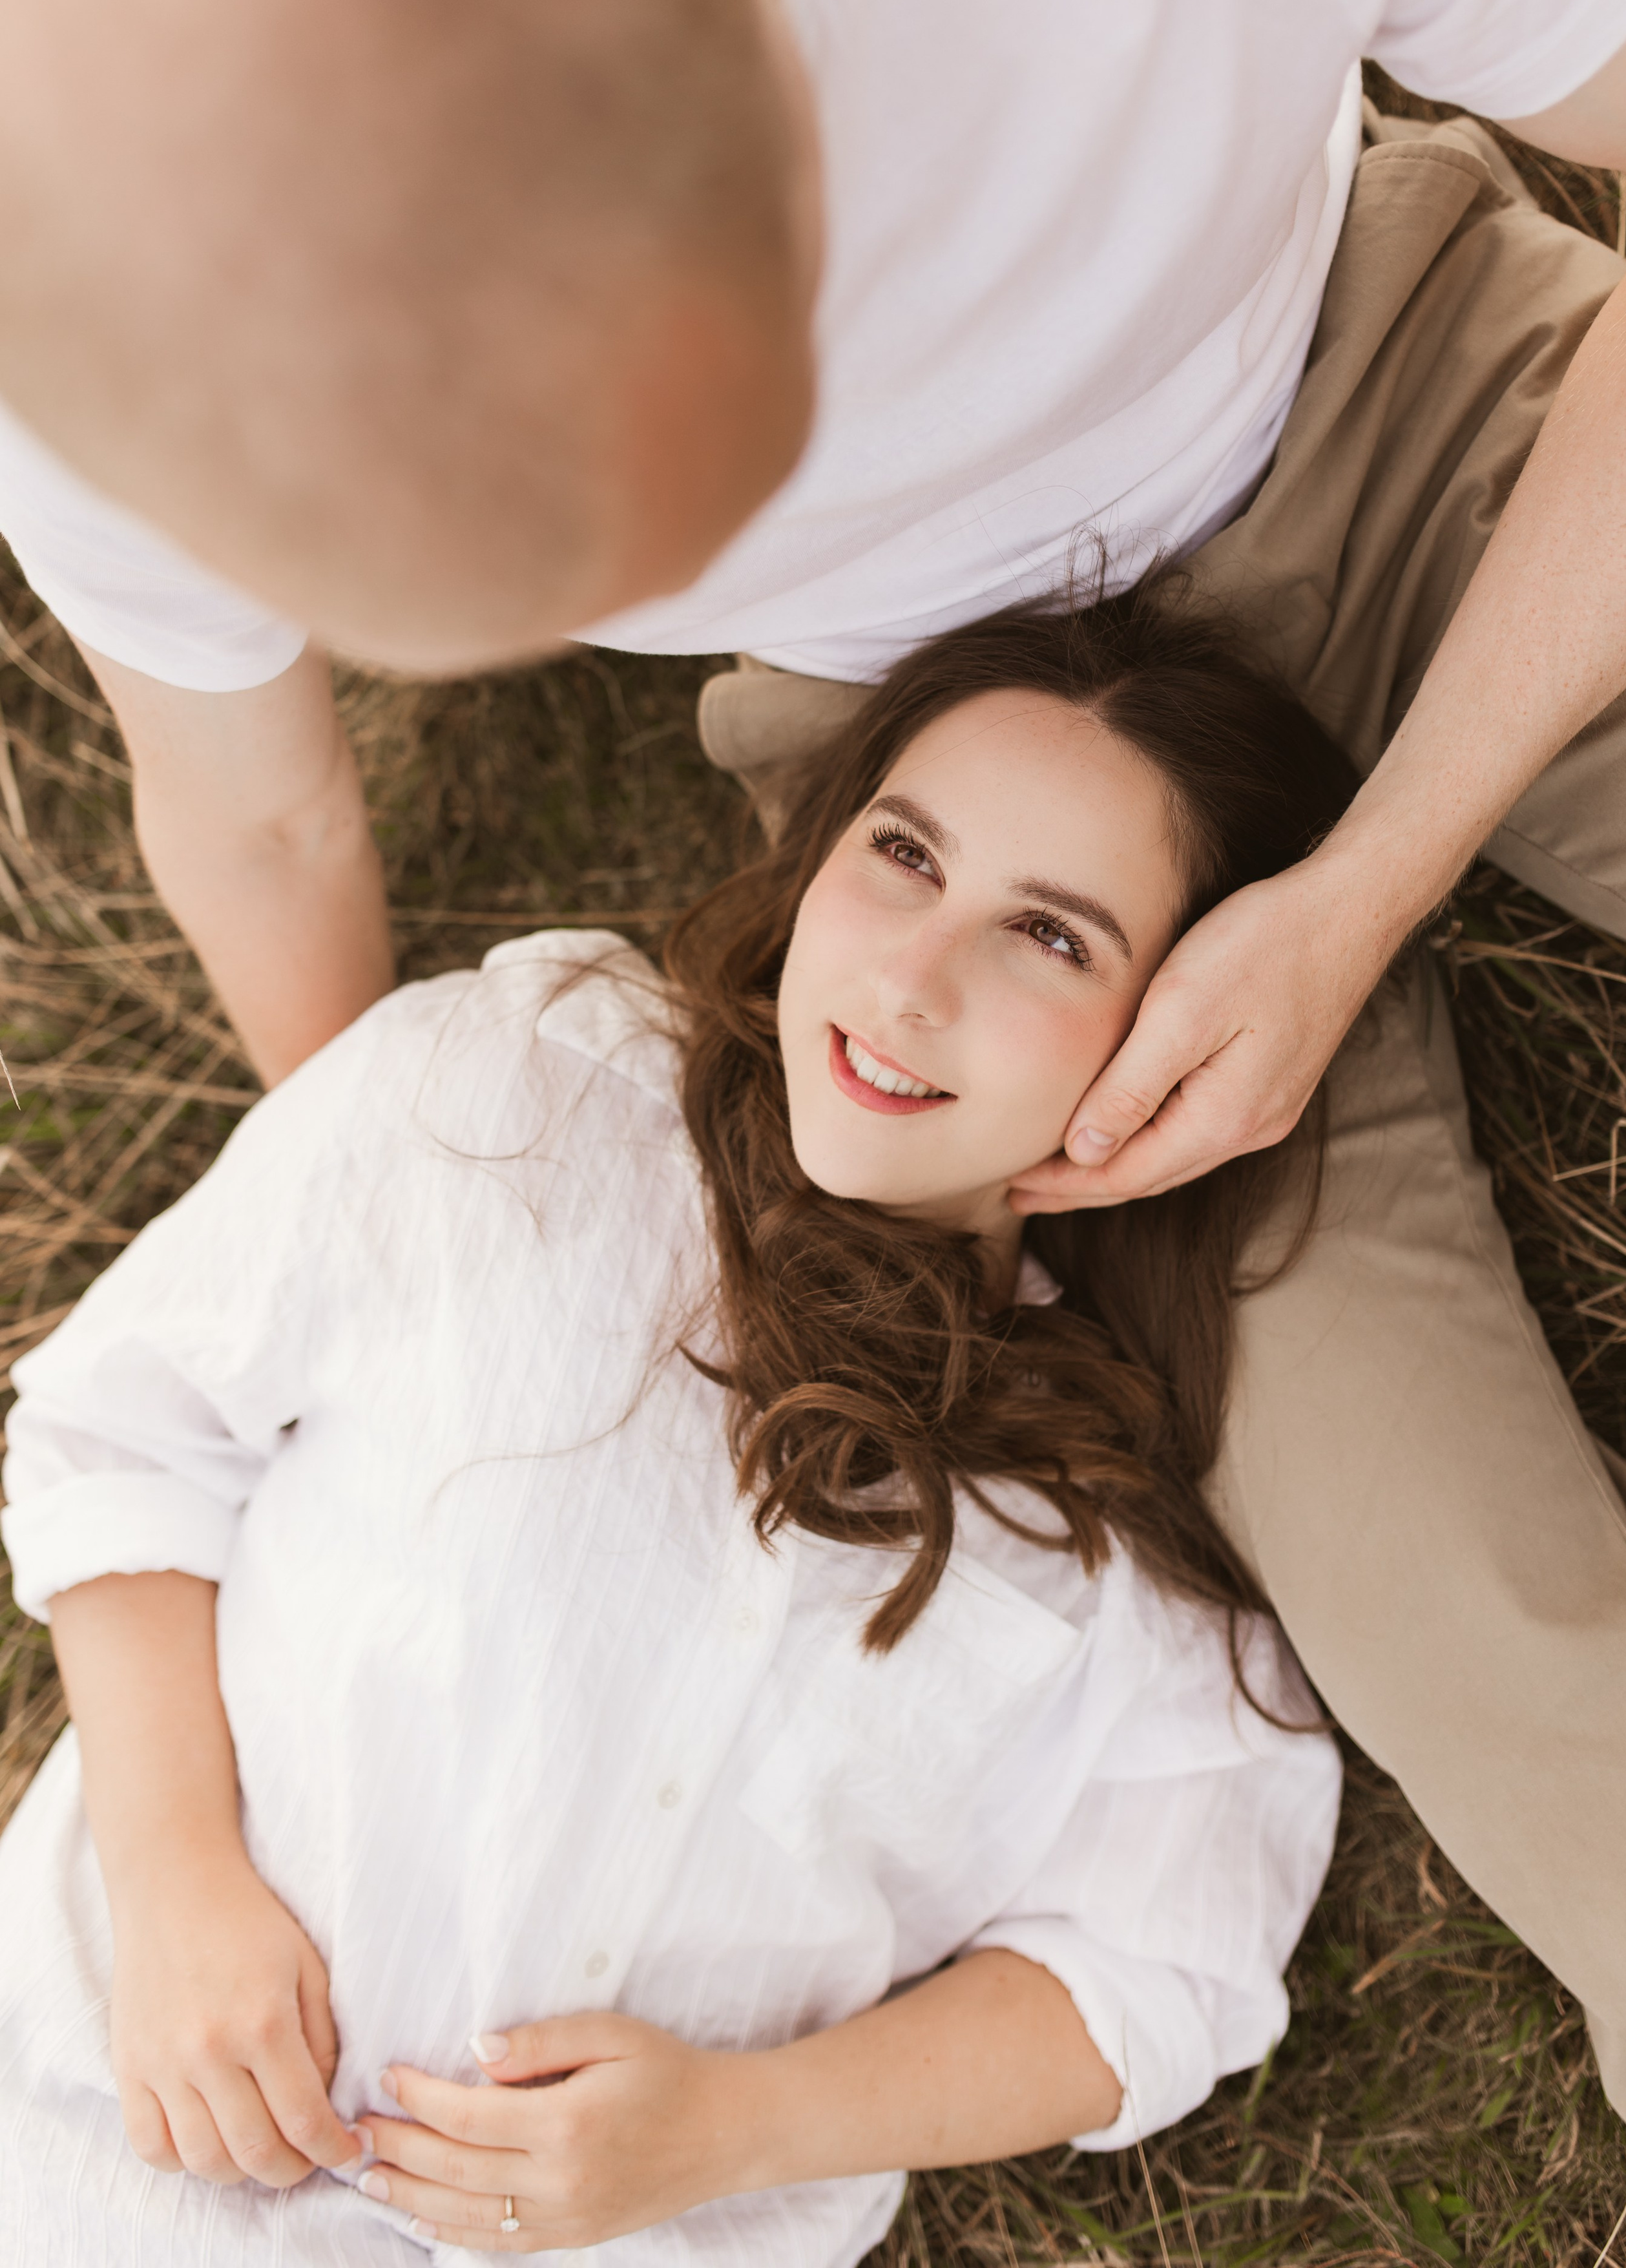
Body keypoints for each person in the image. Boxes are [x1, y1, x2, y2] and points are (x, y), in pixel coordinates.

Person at [2, 0, 1626, 2145]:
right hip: (947, 801)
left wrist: (1382, 867)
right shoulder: (100, 234)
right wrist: (445, 1267)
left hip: (1402, 421)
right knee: (1460, 1634)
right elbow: (257, 809)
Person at [0, 592, 1348, 2262]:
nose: (912, 979)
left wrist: (739, 2125)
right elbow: (127, 1424)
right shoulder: (523, 1088)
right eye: (905, 856)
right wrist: (176, 1880)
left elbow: (1163, 1967)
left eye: (1051, 936)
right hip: (89, 2166)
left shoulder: (1116, 1524)